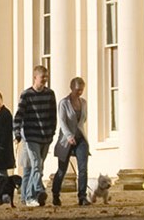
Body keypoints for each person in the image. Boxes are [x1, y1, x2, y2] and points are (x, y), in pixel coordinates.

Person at [17, 67, 58, 206]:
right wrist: (17, 132)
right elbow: (19, 115)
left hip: (45, 136)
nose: (45, 80)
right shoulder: (26, 95)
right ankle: (33, 195)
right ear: (35, 78)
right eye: (42, 77)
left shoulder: (50, 94)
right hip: (31, 136)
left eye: (46, 77)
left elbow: (53, 115)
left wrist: (52, 132)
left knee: (40, 167)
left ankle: (30, 195)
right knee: (36, 165)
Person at [52, 77, 92, 206]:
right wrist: (69, 135)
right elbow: (62, 122)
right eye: (77, 90)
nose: (79, 92)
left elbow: (82, 120)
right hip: (66, 139)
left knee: (83, 168)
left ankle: (82, 196)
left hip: (80, 138)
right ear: (71, 88)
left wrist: (77, 132)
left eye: (81, 90)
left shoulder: (84, 103)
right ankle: (55, 194)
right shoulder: (64, 103)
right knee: (62, 170)